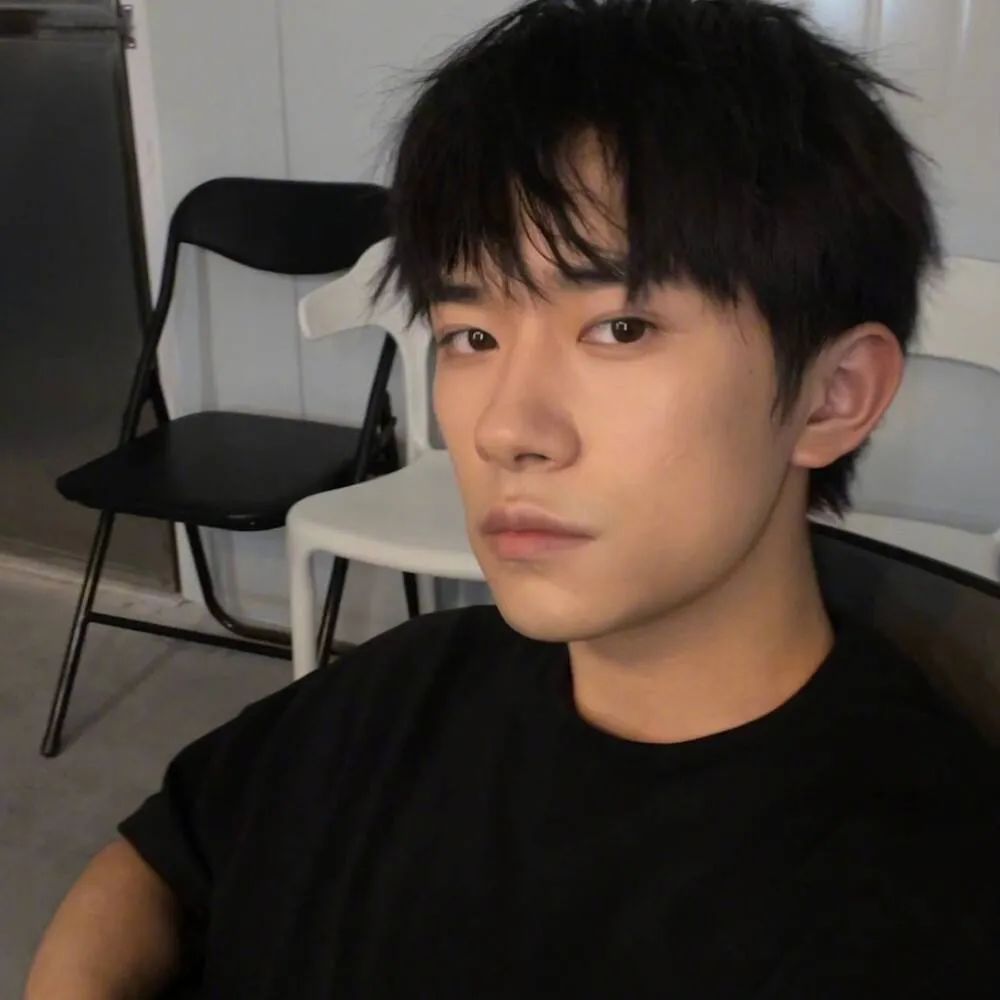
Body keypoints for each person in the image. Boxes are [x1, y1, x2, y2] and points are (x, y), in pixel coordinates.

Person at [25, 1, 1000, 997]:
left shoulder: (901, 908)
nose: (503, 428)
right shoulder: (412, 680)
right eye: (471, 336)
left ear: (832, 397)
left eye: (619, 328)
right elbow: (162, 858)